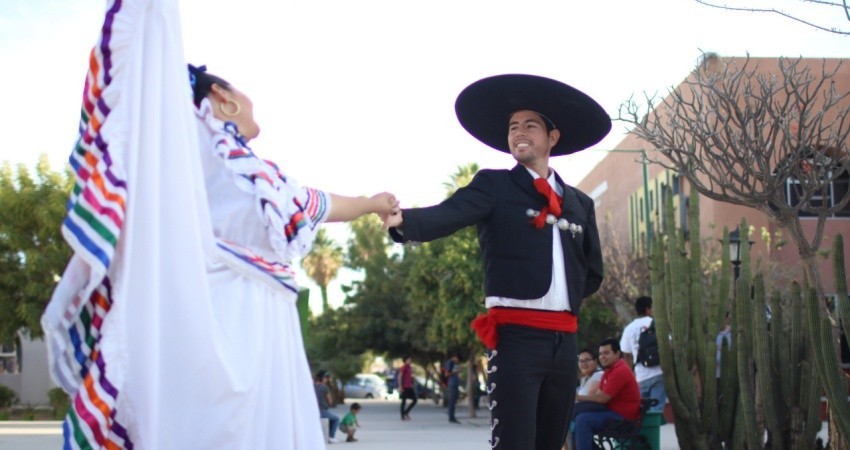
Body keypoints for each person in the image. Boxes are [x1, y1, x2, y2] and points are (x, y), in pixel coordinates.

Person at [40, 2, 399, 449]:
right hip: (212, 328)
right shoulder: (187, 149)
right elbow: (144, 60)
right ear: (223, 100)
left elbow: (321, 203)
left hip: (268, 340)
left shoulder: (265, 180)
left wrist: (371, 203)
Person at [384, 74, 608, 450]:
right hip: (515, 339)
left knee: (552, 442)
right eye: (513, 127)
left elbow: (592, 271)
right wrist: (403, 222)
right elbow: (448, 213)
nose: (519, 132)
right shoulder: (495, 186)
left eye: (530, 125)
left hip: (565, 341)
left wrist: (559, 299)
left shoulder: (579, 203)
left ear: (552, 138)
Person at [572, 338, 641, 450]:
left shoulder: (620, 371)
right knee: (577, 417)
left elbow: (603, 399)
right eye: (600, 354)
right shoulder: (610, 370)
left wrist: (578, 398)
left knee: (582, 420)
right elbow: (599, 395)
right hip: (611, 412)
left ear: (617, 354)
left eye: (606, 353)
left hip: (623, 418)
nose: (602, 357)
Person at [620, 295, 666, 413]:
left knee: (640, 412)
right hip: (658, 372)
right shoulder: (657, 325)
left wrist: (631, 378)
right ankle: (655, 431)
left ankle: (645, 432)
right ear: (648, 309)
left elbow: (627, 355)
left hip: (640, 375)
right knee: (656, 411)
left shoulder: (629, 329)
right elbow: (669, 345)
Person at [564, 349, 603, 450]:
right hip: (579, 414)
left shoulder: (598, 375)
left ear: (595, 361)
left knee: (564, 421)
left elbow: (586, 400)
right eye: (581, 361)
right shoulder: (585, 378)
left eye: (587, 360)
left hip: (589, 414)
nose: (583, 364)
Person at [315, 370, 341, 443]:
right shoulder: (324, 387)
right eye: (326, 378)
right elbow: (330, 401)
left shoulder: (311, 386)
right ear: (323, 378)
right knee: (336, 419)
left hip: (312, 411)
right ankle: (331, 437)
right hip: (322, 411)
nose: (327, 380)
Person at [398, 356, 418, 420]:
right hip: (404, 387)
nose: (410, 361)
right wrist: (400, 386)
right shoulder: (404, 367)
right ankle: (402, 415)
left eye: (410, 359)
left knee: (415, 400)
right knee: (403, 401)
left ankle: (406, 412)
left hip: (409, 386)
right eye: (409, 360)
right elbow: (399, 376)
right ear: (406, 360)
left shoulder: (409, 367)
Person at [445, 352, 462, 423]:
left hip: (454, 383)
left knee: (454, 400)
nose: (458, 361)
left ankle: (452, 416)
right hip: (452, 384)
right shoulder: (450, 363)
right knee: (452, 401)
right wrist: (456, 371)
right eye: (458, 360)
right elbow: (447, 374)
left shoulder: (453, 363)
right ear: (455, 357)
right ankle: (451, 417)